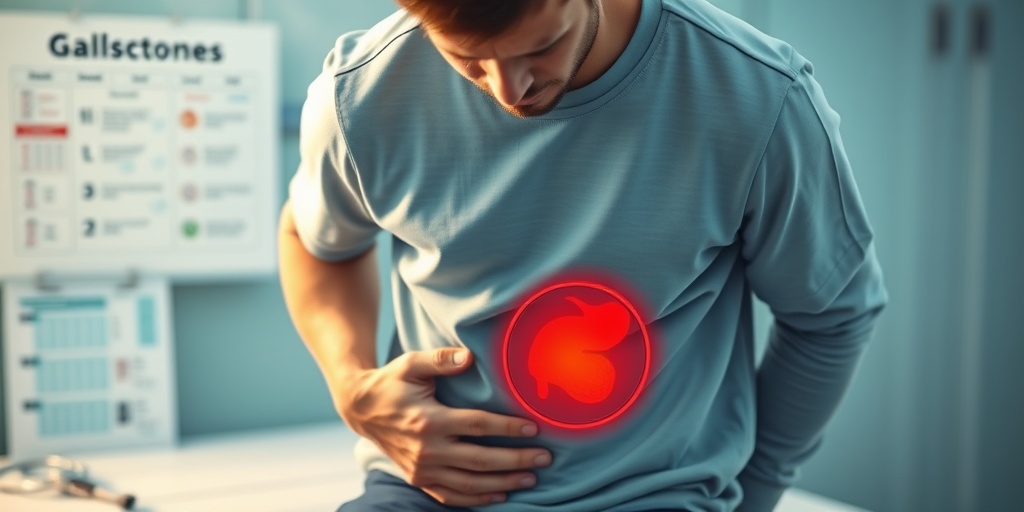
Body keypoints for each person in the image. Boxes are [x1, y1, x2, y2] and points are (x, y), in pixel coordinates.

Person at [277, 0, 888, 510]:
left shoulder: (758, 97)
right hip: (426, 490)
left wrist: (753, 493)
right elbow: (314, 241)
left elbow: (832, 315)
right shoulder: (360, 94)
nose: (509, 91)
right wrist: (352, 386)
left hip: (655, 496)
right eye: (467, 61)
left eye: (538, 48)